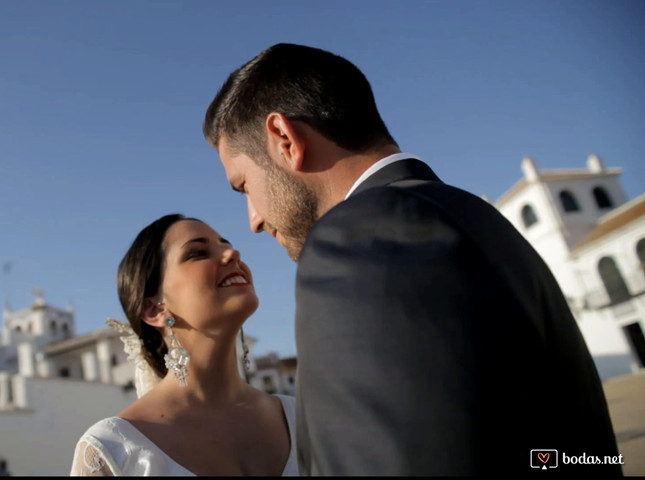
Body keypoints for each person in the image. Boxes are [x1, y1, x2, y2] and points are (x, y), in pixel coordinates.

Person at [203, 43, 621, 475]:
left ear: (285, 140)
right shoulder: (479, 219)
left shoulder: (358, 242)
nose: (253, 221)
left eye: (243, 185)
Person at [70, 214, 298, 476]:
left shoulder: (300, 418)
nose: (233, 253)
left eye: (226, 245)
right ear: (154, 308)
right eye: (198, 253)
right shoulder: (115, 451)